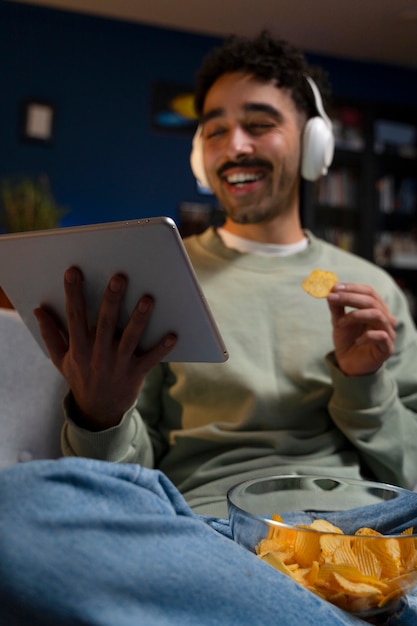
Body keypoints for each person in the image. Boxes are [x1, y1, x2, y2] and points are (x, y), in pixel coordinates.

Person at [1, 31, 417, 625]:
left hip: (370, 532)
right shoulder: (154, 276)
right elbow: (132, 479)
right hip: (216, 536)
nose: (233, 145)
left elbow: (411, 473)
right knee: (17, 509)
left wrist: (364, 384)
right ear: (199, 154)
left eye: (259, 123)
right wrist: (102, 413)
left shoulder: (374, 289)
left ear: (314, 144)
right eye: (215, 129)